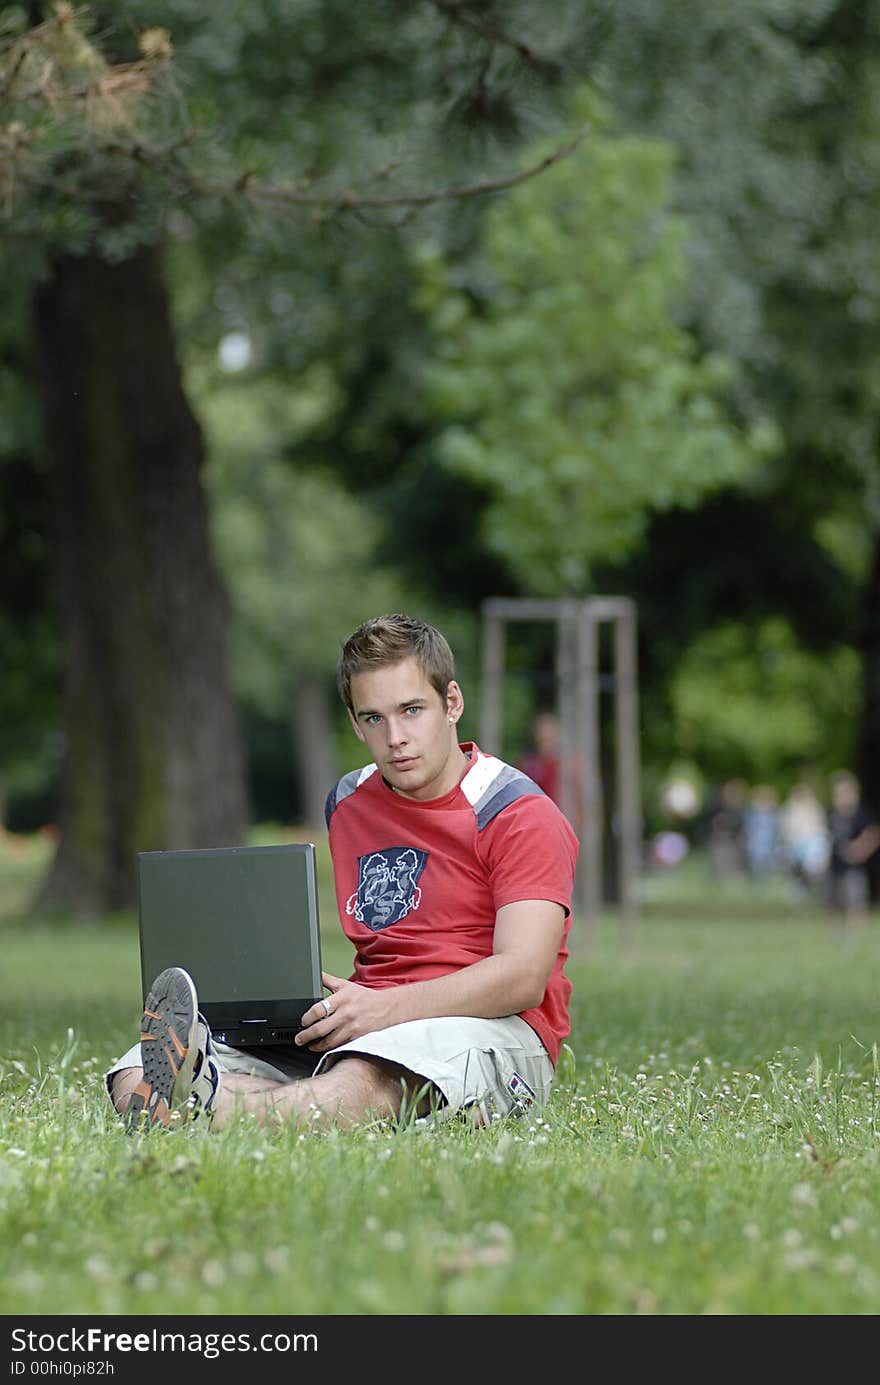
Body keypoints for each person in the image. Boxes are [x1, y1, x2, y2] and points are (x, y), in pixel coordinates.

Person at [106, 613, 580, 1133]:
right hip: (367, 1020)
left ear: (452, 704)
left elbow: (523, 977)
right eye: (374, 718)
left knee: (358, 1082)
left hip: (493, 1027)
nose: (396, 737)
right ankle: (254, 1107)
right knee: (135, 1071)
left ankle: (211, 1111)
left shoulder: (517, 813)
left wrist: (385, 1010)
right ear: (355, 723)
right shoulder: (350, 801)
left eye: (412, 710)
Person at [825, 769, 880, 925]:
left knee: (855, 901)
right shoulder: (832, 812)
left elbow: (873, 833)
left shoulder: (860, 812)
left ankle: (856, 937)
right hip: (835, 865)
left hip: (854, 867)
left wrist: (858, 849)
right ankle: (835, 935)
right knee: (833, 901)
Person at [778, 780, 829, 903]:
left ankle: (811, 888)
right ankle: (801, 887)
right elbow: (786, 829)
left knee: (813, 869)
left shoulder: (815, 808)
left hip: (812, 844)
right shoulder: (789, 810)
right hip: (795, 844)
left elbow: (820, 828)